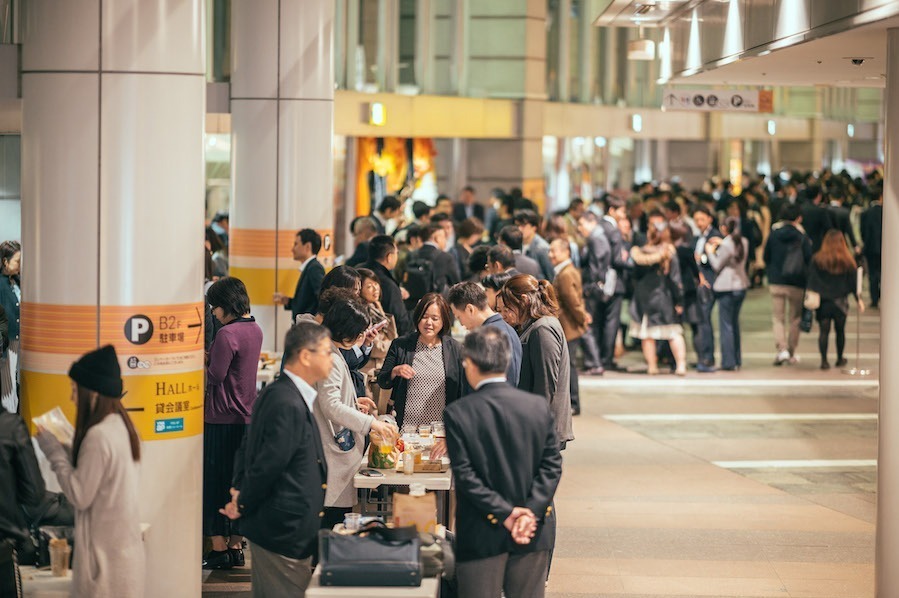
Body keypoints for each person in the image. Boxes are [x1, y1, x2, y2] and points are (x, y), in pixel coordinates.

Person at [445, 327, 562, 598]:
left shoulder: (459, 413)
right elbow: (552, 466)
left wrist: (507, 515)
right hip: (531, 530)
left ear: (470, 364)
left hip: (480, 530)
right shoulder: (536, 406)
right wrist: (529, 512)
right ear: (507, 360)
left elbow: (466, 476)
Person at [222, 322, 331, 597]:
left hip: (288, 528)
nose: (331, 359)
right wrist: (243, 500)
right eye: (327, 352)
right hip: (282, 530)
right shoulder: (287, 401)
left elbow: (248, 448)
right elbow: (267, 464)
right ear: (306, 356)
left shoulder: (279, 392)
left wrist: (238, 490)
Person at [35, 345, 144, 598]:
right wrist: (70, 444)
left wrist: (53, 450)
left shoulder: (98, 436)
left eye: (75, 390)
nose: (73, 397)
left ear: (92, 394)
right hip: (125, 558)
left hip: (103, 565)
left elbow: (79, 494)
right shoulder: (122, 428)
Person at [316, 299, 398, 530]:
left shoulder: (333, 351)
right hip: (333, 448)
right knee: (332, 521)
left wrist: (352, 401)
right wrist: (371, 423)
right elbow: (330, 405)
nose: (363, 336)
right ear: (345, 332)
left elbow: (332, 398)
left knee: (335, 517)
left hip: (337, 446)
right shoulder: (330, 358)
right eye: (360, 332)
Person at [202, 277, 264, 570]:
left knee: (215, 484)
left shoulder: (227, 335)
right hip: (246, 418)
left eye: (215, 306)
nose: (213, 313)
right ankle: (237, 546)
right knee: (237, 483)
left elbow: (215, 376)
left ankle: (218, 549)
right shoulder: (255, 329)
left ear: (226, 305)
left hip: (220, 417)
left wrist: (204, 357)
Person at [377, 293, 465, 458]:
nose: (429, 323)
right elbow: (383, 380)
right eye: (424, 317)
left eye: (435, 318)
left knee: (435, 479)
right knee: (404, 477)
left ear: (444, 321)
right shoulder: (401, 345)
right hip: (406, 431)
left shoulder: (455, 349)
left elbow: (461, 393)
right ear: (417, 317)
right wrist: (395, 371)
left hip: (440, 437)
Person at [497, 275, 573, 449]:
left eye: (508, 308)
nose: (504, 315)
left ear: (524, 300)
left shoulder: (543, 328)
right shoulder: (531, 326)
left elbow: (545, 386)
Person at [628, 224, 687, 376]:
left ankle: (652, 366)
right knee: (673, 332)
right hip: (663, 296)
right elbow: (675, 279)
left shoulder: (638, 253)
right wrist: (679, 300)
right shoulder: (669, 253)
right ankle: (681, 365)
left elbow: (632, 275)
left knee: (647, 334)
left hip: (643, 297)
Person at [764, 204, 813, 365]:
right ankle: (791, 352)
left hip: (776, 281)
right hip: (797, 282)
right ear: (798, 218)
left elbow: (766, 255)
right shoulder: (802, 236)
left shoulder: (774, 233)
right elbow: (808, 259)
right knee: (795, 318)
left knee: (778, 318)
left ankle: (782, 349)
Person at [807, 230, 863, 370]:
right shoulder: (848, 260)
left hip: (824, 302)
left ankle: (824, 361)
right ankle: (839, 358)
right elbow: (853, 282)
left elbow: (811, 280)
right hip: (840, 303)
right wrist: (858, 299)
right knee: (840, 331)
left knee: (823, 331)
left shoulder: (817, 259)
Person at [448, 282, 522, 385]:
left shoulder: (495, 335)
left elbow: (508, 382)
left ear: (470, 309)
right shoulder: (500, 331)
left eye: (459, 317)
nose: (461, 324)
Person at [548, 238, 591, 414]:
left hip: (569, 326)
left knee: (569, 366)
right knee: (569, 365)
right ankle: (572, 402)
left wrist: (582, 318)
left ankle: (573, 403)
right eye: (550, 251)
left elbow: (572, 301)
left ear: (566, 252)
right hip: (569, 325)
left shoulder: (565, 273)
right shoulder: (564, 271)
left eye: (554, 251)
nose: (550, 255)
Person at [706, 216, 750, 371]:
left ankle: (728, 362)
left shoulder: (726, 244)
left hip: (726, 288)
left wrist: (710, 252)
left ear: (724, 228)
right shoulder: (743, 241)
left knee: (726, 326)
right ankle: (737, 359)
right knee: (734, 324)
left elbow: (717, 265)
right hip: (741, 285)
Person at [357, 268, 399, 412]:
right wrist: (393, 345)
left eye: (376, 284)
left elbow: (392, 338)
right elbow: (377, 349)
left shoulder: (376, 309)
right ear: (359, 289)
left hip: (379, 370)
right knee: (373, 414)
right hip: (369, 372)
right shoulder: (362, 313)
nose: (375, 288)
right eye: (369, 286)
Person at [576, 212, 611, 376]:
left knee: (587, 323)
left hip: (592, 288)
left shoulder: (596, 238)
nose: (579, 228)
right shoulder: (599, 237)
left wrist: (589, 287)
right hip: (595, 287)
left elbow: (596, 267)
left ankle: (594, 363)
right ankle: (593, 362)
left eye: (582, 224)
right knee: (591, 325)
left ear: (591, 222)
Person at [598, 196, 629, 371]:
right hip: (614, 282)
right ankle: (606, 359)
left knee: (600, 321)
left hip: (598, 281)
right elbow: (618, 260)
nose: (623, 215)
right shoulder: (614, 230)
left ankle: (600, 357)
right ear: (612, 210)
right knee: (611, 322)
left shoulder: (598, 226)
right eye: (622, 211)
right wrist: (627, 259)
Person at [691, 206, 723, 372]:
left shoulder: (714, 236)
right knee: (701, 320)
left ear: (710, 218)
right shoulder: (699, 236)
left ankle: (707, 357)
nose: (699, 223)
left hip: (709, 282)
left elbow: (717, 259)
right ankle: (702, 355)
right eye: (696, 220)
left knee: (704, 321)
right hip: (700, 281)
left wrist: (701, 258)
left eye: (702, 219)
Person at [364, 234, 413, 335]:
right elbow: (402, 325)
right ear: (389, 257)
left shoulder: (358, 272)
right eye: (396, 253)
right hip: (379, 341)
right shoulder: (388, 284)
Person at [273, 229, 325, 320]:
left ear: (308, 246)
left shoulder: (314, 268)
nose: (292, 249)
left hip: (307, 327)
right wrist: (288, 301)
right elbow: (307, 300)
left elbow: (322, 297)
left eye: (296, 244)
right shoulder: (310, 267)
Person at [0, 241, 21, 413]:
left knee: (14, 386)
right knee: (8, 388)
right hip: (8, 343)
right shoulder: (1, 285)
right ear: (5, 262)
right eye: (17, 261)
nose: (20, 265)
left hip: (19, 341)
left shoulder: (16, 281)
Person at [515, 210, 554, 281]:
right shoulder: (518, 243)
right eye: (517, 225)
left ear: (534, 227)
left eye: (523, 226)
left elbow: (550, 276)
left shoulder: (542, 248)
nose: (519, 229)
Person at [860, 188, 883, 308]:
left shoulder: (865, 213)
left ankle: (874, 299)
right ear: (880, 197)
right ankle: (883, 295)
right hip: (886, 249)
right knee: (885, 274)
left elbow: (862, 232)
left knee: (872, 274)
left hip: (870, 248)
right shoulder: (886, 212)